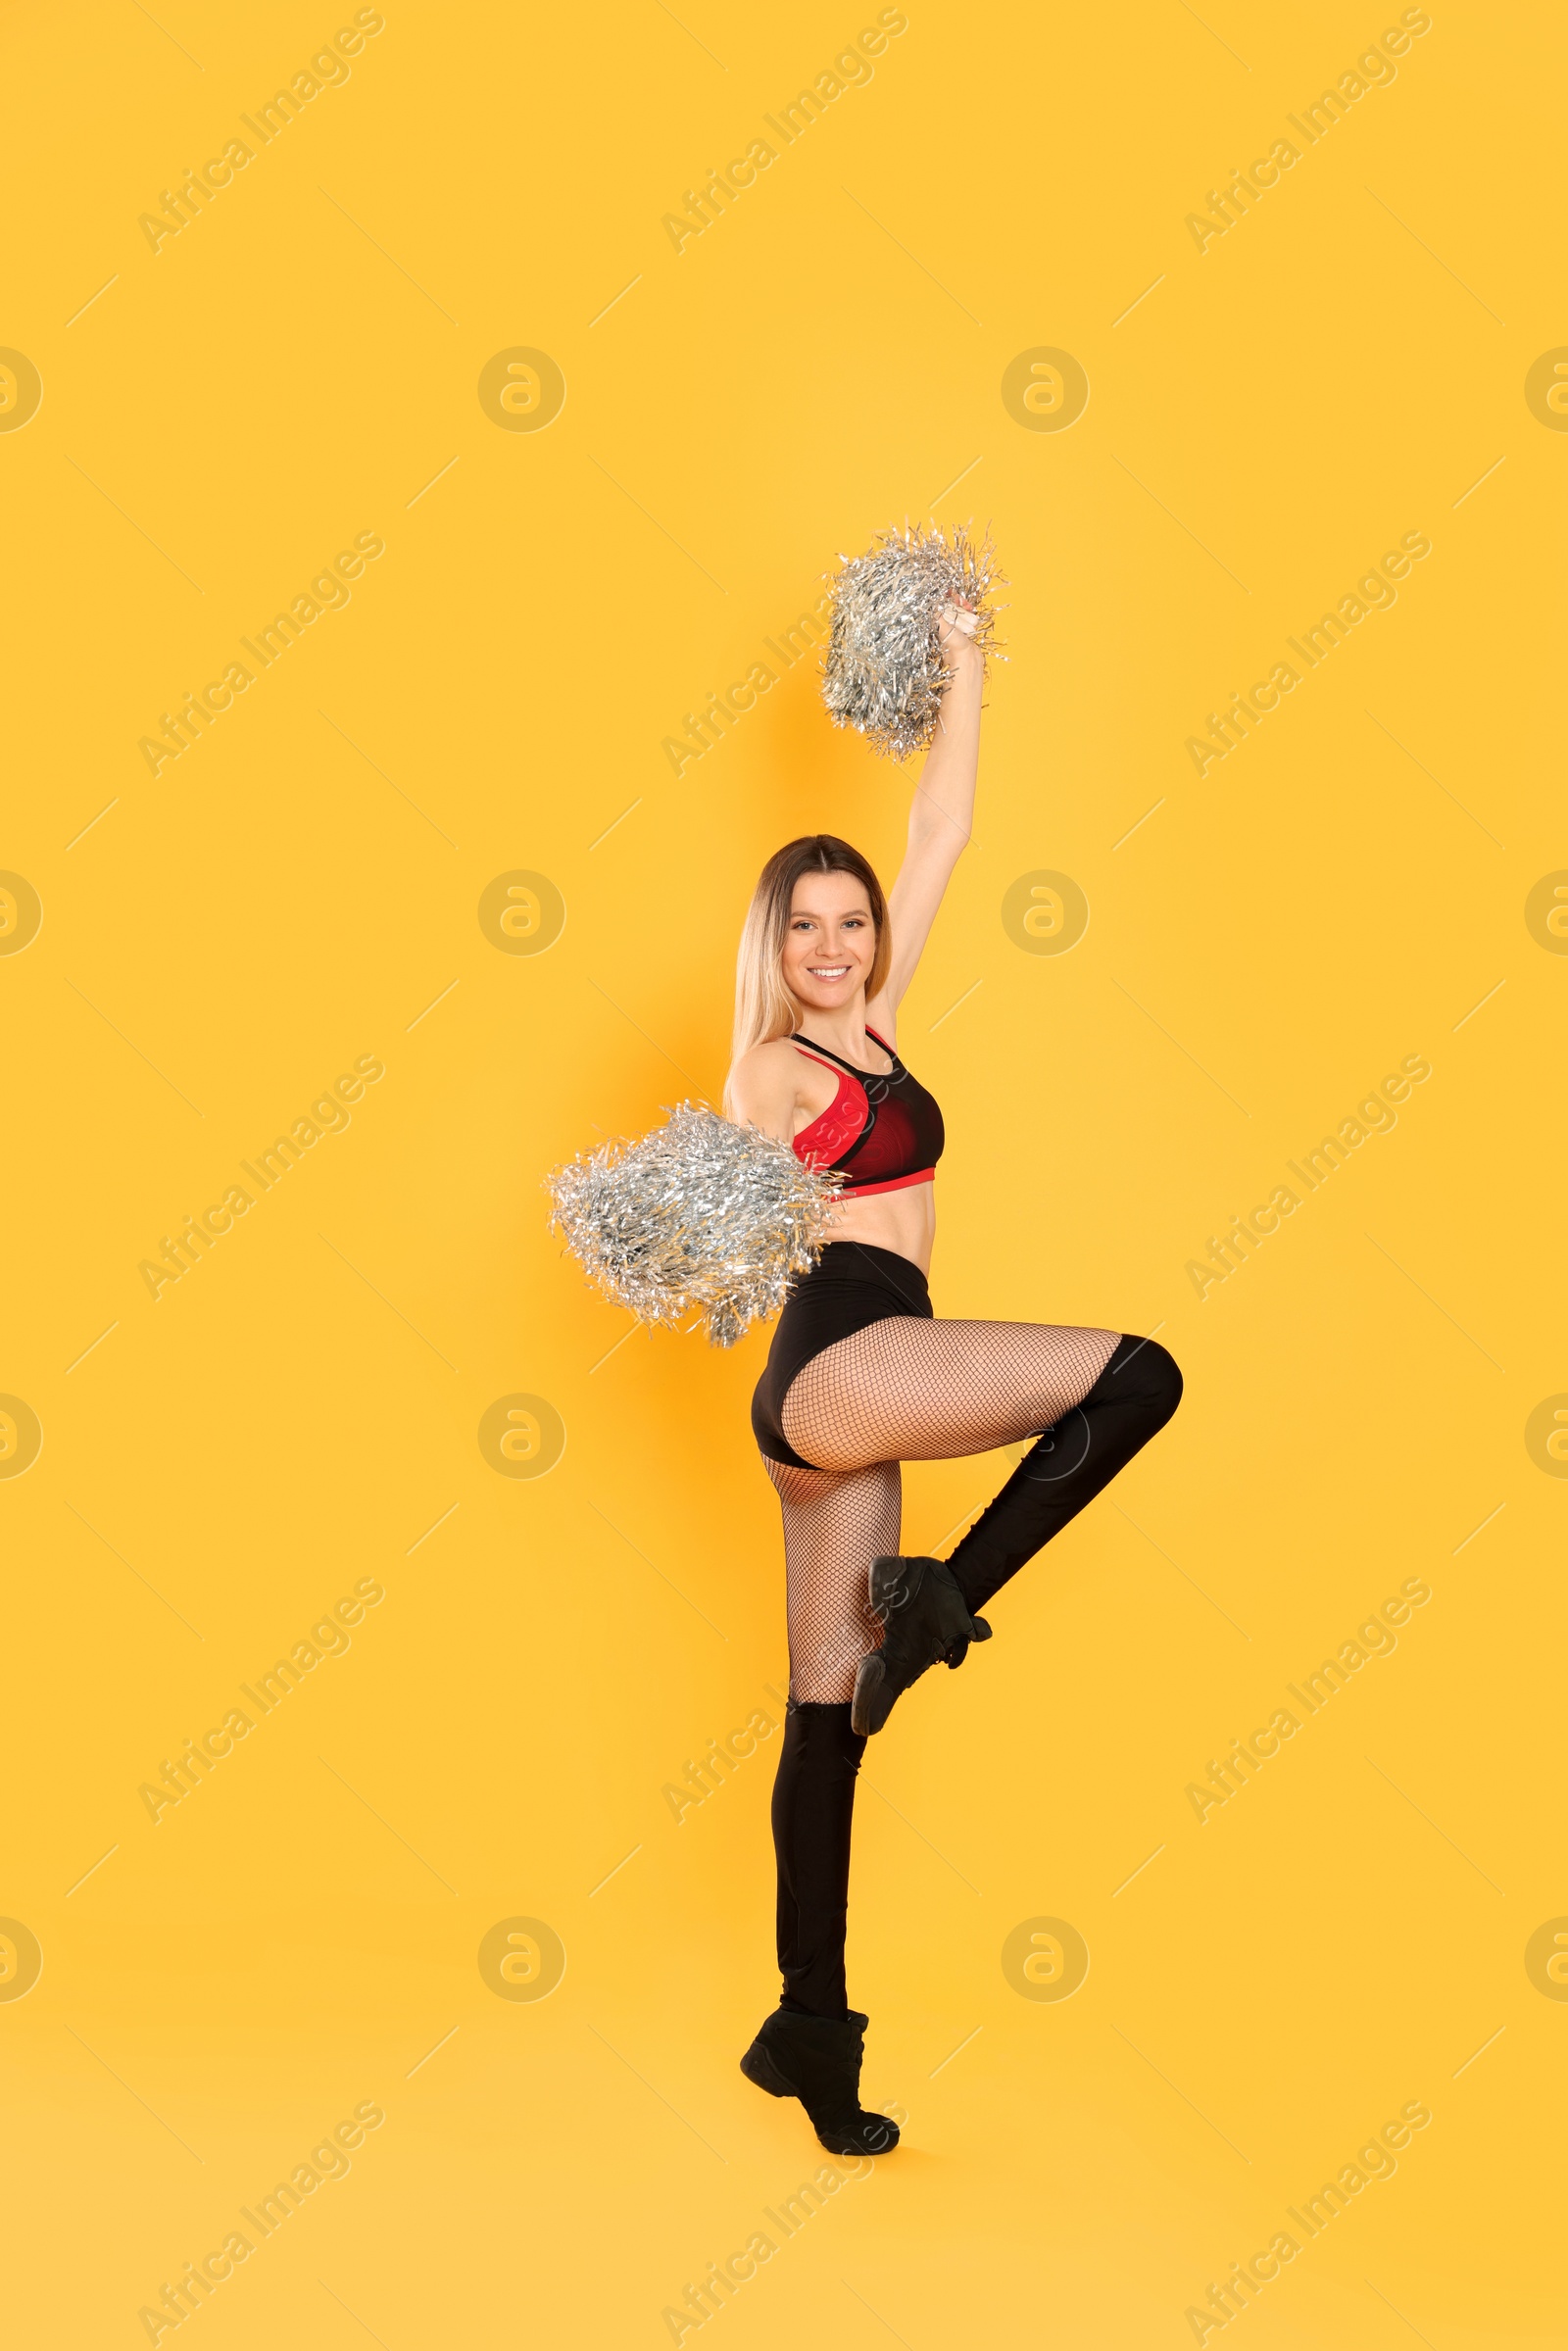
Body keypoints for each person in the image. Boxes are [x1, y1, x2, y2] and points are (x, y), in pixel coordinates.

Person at [723, 601, 1184, 2157]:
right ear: (774, 951)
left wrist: (963, 645)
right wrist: (705, 1183)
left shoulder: (882, 1026)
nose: (841, 945)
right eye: (810, 928)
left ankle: (809, 2031)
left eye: (851, 923)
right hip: (840, 1355)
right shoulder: (783, 1069)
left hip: (845, 1396)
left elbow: (945, 820)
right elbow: (732, 1165)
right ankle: (941, 1606)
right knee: (1135, 1376)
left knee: (822, 1720)